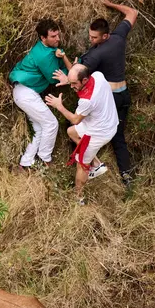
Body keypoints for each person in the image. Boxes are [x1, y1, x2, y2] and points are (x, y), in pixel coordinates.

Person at [76, 0, 138, 188]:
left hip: (110, 100)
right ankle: (127, 177)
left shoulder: (95, 55)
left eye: (94, 37)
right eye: (90, 36)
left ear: (104, 36)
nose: (91, 40)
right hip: (124, 94)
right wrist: (110, 4)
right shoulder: (119, 37)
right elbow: (132, 12)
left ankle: (93, 165)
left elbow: (79, 74)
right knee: (118, 136)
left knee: (80, 130)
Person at [45, 65, 118, 205]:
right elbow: (75, 124)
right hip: (108, 121)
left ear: (84, 80)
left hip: (97, 134)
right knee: (71, 132)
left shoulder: (87, 101)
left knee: (82, 165)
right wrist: (68, 80)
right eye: (70, 83)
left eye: (74, 84)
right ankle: (96, 164)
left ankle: (78, 197)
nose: (71, 86)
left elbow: (75, 119)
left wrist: (58, 105)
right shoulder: (98, 76)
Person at [8, 19, 73, 172]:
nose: (57, 39)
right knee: (51, 123)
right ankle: (44, 159)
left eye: (58, 35)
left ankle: (25, 163)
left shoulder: (44, 49)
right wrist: (71, 70)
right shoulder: (45, 56)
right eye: (53, 36)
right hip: (26, 93)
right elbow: (53, 78)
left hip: (24, 91)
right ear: (43, 38)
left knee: (39, 127)